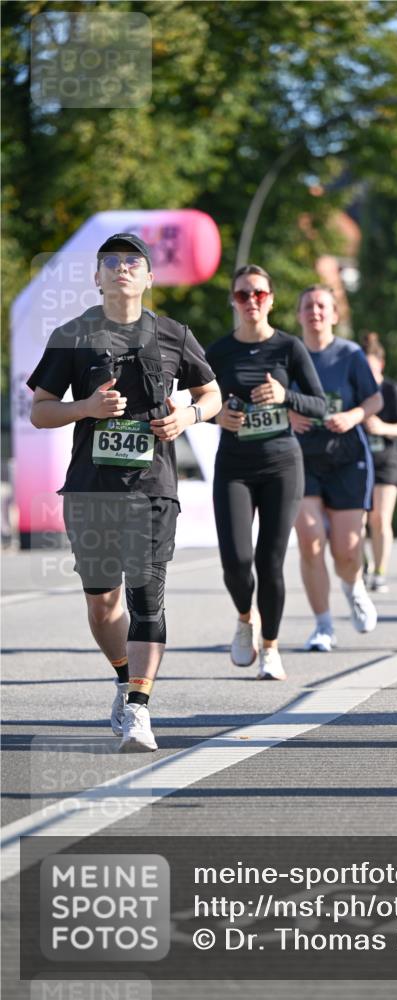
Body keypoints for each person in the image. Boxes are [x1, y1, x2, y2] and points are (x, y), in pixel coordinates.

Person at [27, 233, 221, 751]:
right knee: (102, 603)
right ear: (97, 277)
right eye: (110, 261)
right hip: (90, 490)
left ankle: (138, 707)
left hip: (153, 488)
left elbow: (212, 393)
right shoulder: (73, 334)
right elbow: (40, 411)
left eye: (133, 261)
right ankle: (122, 675)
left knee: (147, 596)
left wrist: (189, 416)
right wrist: (85, 409)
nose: (121, 268)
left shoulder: (175, 334)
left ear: (150, 277)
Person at [206, 265, 326, 681]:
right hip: (234, 468)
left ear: (271, 300)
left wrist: (284, 395)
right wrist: (217, 416)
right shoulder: (219, 352)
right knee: (236, 561)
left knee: (269, 560)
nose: (251, 301)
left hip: (281, 466)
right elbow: (195, 399)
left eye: (259, 293)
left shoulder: (289, 347)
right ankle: (246, 618)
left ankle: (271, 648)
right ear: (233, 301)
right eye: (243, 294)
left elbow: (319, 404)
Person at [291, 285, 383, 652]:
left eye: (321, 306)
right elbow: (270, 396)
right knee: (310, 541)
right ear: (298, 314)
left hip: (346, 457)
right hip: (302, 457)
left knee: (346, 549)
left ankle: (353, 586)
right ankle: (323, 625)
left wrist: (353, 416)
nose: (315, 311)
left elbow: (375, 399)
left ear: (334, 314)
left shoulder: (350, 354)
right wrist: (286, 414)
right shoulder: (288, 353)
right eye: (308, 306)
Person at [361, 332, 397, 592]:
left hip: (387, 462)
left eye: (371, 368)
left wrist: (382, 427)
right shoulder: (354, 390)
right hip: (358, 461)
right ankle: (363, 564)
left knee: (380, 519)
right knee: (357, 521)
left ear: (381, 365)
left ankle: (380, 572)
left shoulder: (391, 390)